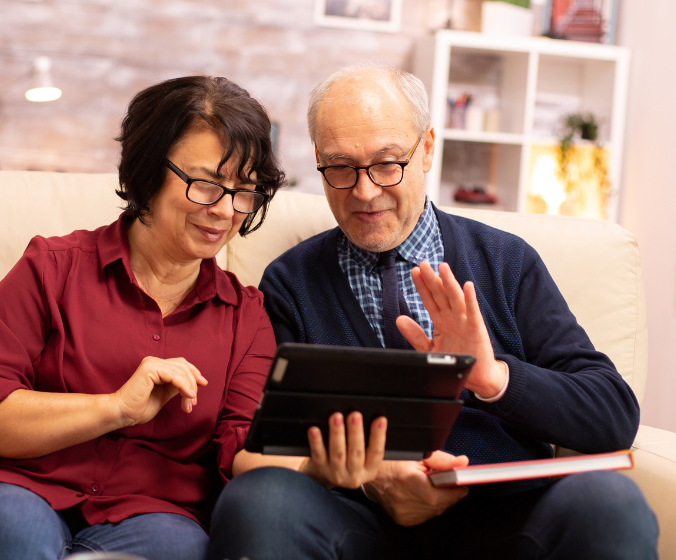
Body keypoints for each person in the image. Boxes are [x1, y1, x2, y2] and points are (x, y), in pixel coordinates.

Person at [209, 65, 659, 559]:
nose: (364, 191)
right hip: (357, 521)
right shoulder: (290, 283)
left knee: (610, 501)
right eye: (340, 167)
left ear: (426, 148)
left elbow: (612, 415)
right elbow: (266, 441)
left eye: (386, 163)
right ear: (317, 159)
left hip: (505, 519)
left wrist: (493, 378)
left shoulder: (506, 262)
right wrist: (372, 479)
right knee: (256, 502)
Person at [0, 76, 296, 560]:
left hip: (152, 513)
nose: (225, 210)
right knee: (10, 530)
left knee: (180, 552)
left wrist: (323, 463)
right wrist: (115, 407)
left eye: (244, 190)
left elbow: (238, 447)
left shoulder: (247, 318)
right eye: (205, 185)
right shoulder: (52, 268)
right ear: (148, 171)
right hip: (13, 488)